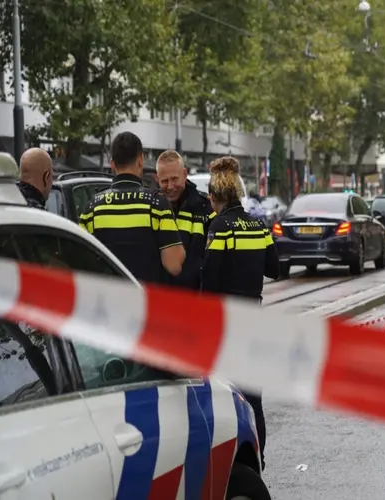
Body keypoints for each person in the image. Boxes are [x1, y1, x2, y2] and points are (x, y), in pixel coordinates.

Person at [200, 156, 279, 471]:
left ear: (214, 197)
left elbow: (210, 281)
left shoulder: (218, 227)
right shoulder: (258, 225)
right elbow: (274, 268)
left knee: (225, 394)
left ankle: (233, 463)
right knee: (254, 397)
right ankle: (257, 459)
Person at [78, 132, 185, 283]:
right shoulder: (156, 205)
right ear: (140, 160)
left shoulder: (92, 207)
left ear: (112, 164)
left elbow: (81, 261)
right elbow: (173, 266)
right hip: (145, 301)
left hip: (107, 301)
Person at [155, 149, 214, 289]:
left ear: (185, 174)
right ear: (157, 179)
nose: (170, 186)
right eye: (164, 181)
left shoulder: (206, 208)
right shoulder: (152, 207)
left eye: (174, 179)